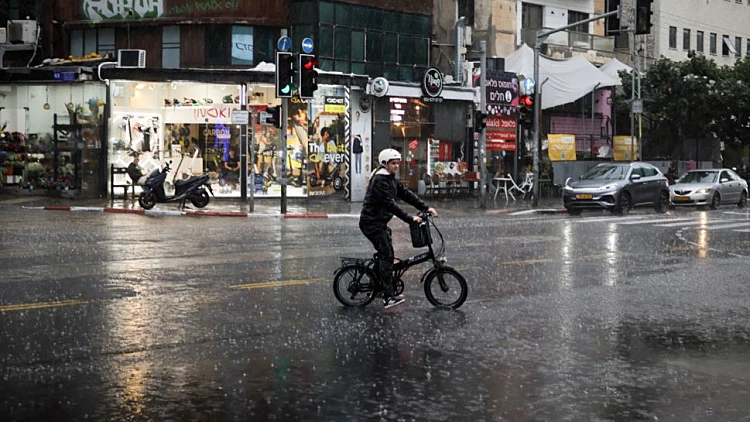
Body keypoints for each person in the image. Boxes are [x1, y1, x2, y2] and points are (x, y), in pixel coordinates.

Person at [360, 148, 438, 309]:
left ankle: (381, 285)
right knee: (387, 255)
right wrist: (410, 219)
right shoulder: (380, 180)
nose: (396, 166)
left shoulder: (390, 178)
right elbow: (391, 205)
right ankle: (388, 297)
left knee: (385, 254)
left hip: (379, 222)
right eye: (393, 163)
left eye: (397, 163)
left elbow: (406, 194)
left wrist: (426, 207)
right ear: (384, 164)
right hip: (371, 223)